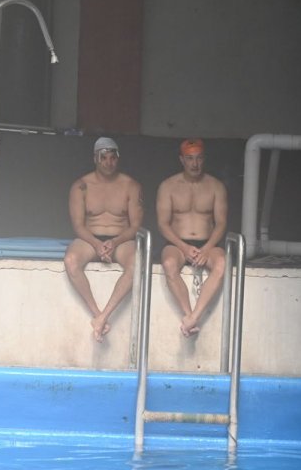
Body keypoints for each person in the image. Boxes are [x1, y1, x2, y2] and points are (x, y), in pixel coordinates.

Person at [63, 137, 143, 342]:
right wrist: (97, 244)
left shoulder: (130, 185)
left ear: (118, 158)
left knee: (137, 264)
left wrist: (114, 242)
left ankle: (104, 316)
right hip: (90, 239)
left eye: (112, 158)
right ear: (95, 159)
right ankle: (97, 314)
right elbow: (78, 226)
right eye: (104, 158)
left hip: (121, 240)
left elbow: (135, 226)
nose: (108, 163)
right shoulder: (81, 186)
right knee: (71, 261)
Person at [156, 138, 228, 337]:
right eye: (190, 159)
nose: (195, 164)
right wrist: (184, 247)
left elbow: (221, 223)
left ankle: (194, 316)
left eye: (199, 158)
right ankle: (188, 315)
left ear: (204, 159)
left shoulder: (216, 186)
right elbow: (163, 224)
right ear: (182, 160)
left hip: (208, 244)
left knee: (222, 263)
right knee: (169, 264)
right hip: (177, 244)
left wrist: (207, 248)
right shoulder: (168, 186)